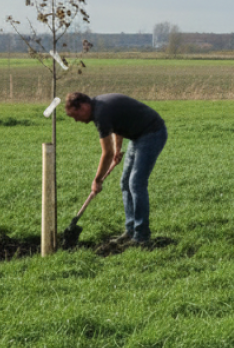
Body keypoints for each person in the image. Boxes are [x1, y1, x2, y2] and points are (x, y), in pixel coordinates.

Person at [64, 92, 168, 246]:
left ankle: (142, 237)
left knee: (136, 183)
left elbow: (107, 154)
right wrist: (118, 148)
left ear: (83, 106)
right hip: (137, 136)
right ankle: (131, 230)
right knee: (125, 182)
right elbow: (117, 126)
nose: (76, 120)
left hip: (152, 133)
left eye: (75, 115)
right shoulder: (99, 107)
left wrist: (97, 180)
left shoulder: (100, 113)